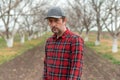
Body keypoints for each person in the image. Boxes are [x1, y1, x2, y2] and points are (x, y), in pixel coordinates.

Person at [43, 6, 84, 80]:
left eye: (56, 20)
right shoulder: (49, 42)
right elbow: (46, 67)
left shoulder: (75, 40)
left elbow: (76, 68)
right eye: (50, 21)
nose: (53, 24)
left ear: (64, 20)